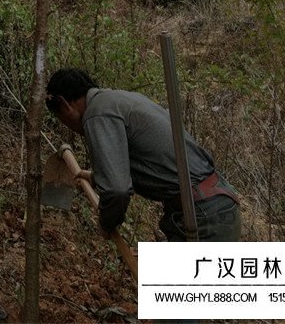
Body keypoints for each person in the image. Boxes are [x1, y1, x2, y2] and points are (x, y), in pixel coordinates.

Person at [45, 67, 241, 242]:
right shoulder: (120, 100)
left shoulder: (97, 113)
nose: (68, 126)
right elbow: (144, 157)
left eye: (61, 119)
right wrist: (96, 177)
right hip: (215, 202)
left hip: (202, 215)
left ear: (63, 103)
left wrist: (106, 224)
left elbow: (117, 190)